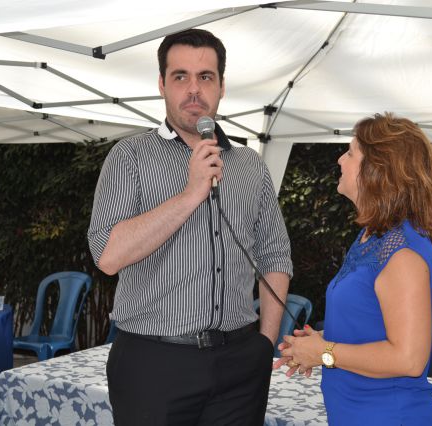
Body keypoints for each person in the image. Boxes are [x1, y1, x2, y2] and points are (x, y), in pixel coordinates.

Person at [88, 28, 292, 425]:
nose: (194, 89)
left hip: (240, 362)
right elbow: (107, 256)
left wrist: (264, 343)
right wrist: (190, 194)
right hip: (154, 363)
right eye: (180, 76)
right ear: (162, 84)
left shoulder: (250, 166)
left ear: (221, 87)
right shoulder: (129, 157)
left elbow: (275, 255)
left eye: (206, 77)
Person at [274, 113, 432, 425]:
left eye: (351, 153)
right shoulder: (372, 238)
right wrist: (315, 343)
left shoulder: (403, 253)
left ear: (378, 169)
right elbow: (371, 326)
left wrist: (324, 352)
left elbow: (408, 358)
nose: (340, 159)